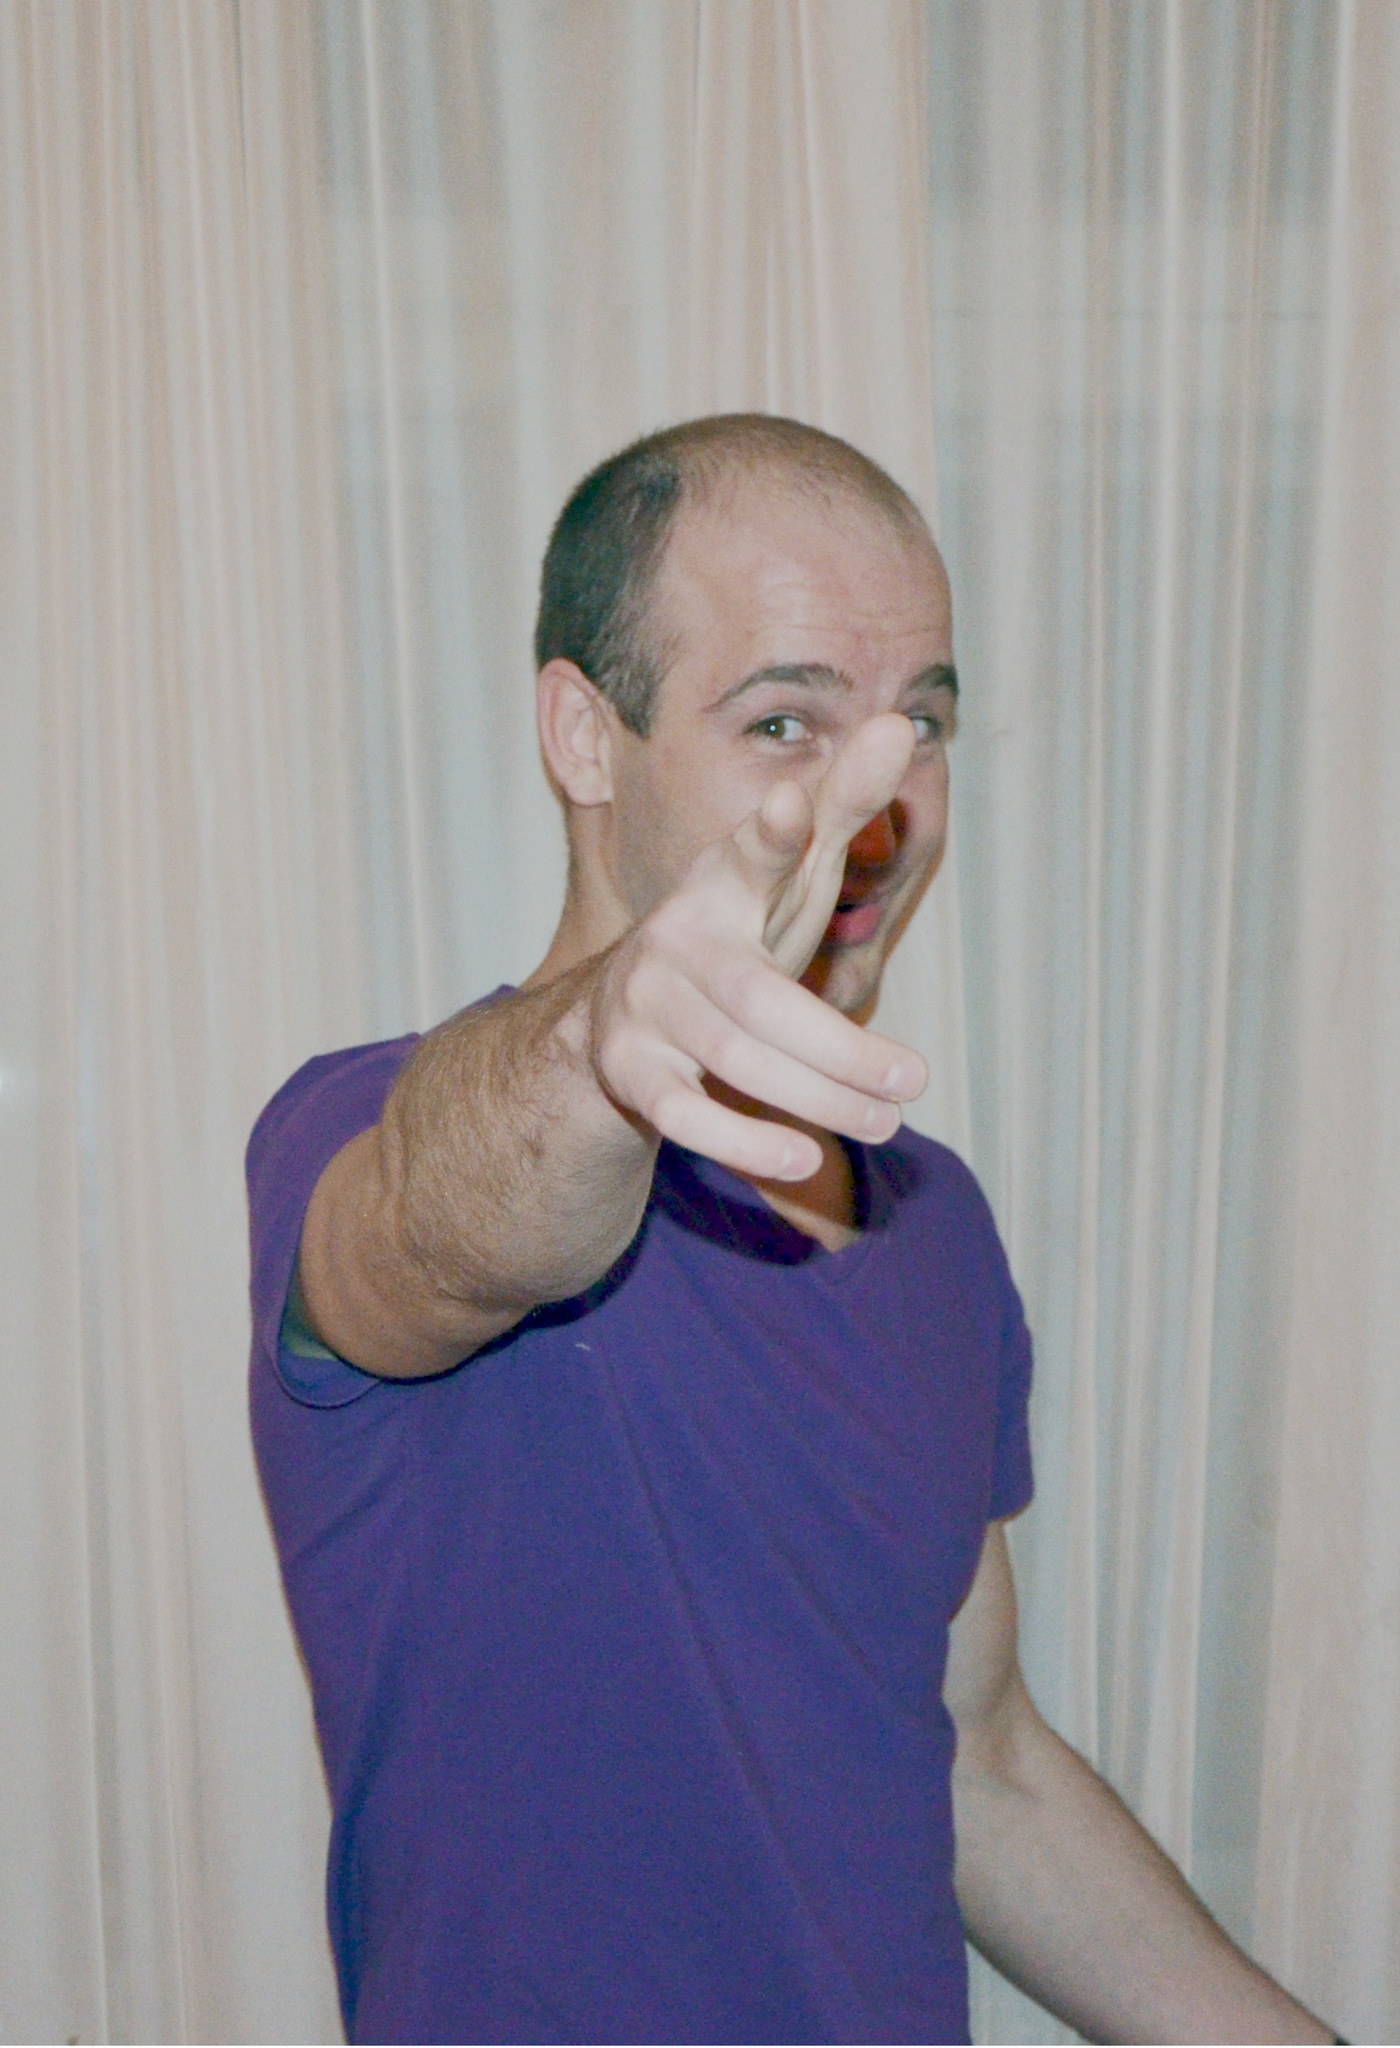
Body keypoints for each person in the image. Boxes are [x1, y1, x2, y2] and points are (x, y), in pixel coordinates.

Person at [248, 415, 1335, 2045]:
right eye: (783, 721)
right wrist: (608, 1042)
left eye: (920, 725)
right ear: (586, 736)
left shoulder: (932, 1221)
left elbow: (982, 1760)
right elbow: (452, 1232)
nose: (874, 802)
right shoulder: (367, 1127)